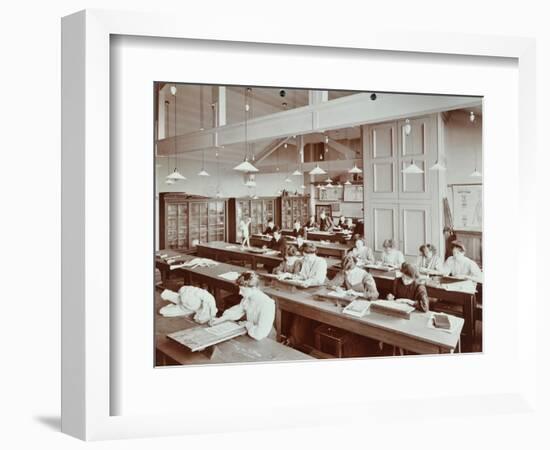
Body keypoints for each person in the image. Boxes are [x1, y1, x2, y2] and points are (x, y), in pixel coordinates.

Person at [210, 271, 275, 340]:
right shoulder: (247, 298)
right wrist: (220, 319)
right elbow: (237, 311)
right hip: (252, 331)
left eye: (242, 290)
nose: (240, 293)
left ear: (254, 289)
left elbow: (260, 334)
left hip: (266, 337)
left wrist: (247, 324)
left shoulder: (267, 304)